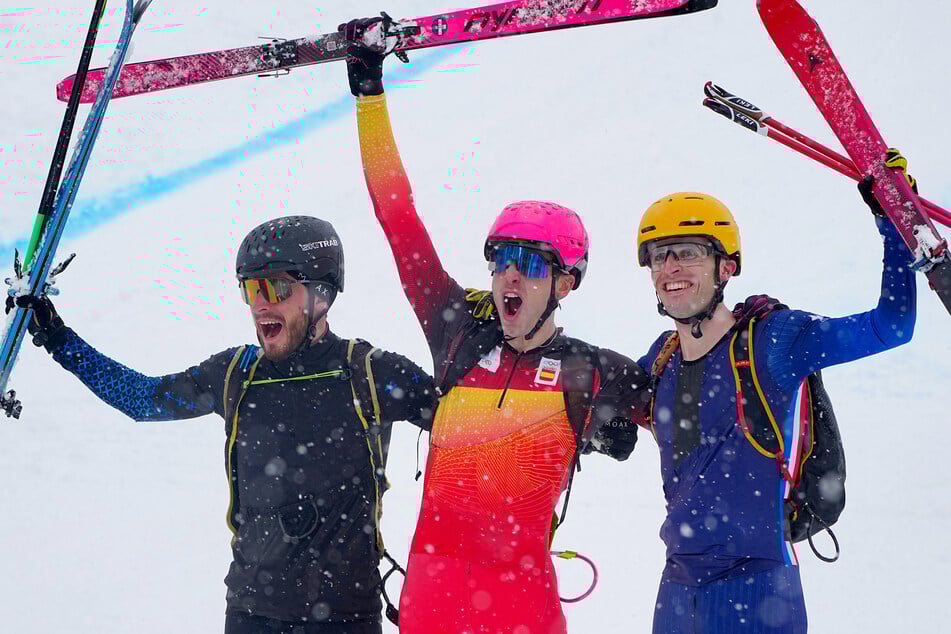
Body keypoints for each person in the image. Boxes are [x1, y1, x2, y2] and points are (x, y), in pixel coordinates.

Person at [339, 17, 648, 634]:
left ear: (567, 282)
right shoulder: (457, 329)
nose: (511, 276)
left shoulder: (592, 369)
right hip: (433, 596)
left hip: (522, 604)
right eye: (503, 259)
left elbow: (702, 418)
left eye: (532, 265)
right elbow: (398, 220)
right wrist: (370, 95)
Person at [12, 215, 436, 634]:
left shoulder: (369, 374)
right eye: (251, 289)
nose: (261, 303)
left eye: (276, 287)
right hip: (252, 615)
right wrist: (57, 338)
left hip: (345, 619)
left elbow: (464, 419)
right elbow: (143, 399)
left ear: (320, 295)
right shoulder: (235, 374)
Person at [625, 170, 917, 633]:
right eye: (659, 256)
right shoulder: (659, 360)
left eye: (689, 253)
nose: (671, 268)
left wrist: (895, 224)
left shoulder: (774, 342)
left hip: (759, 593)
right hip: (677, 595)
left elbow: (891, 326)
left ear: (726, 267)